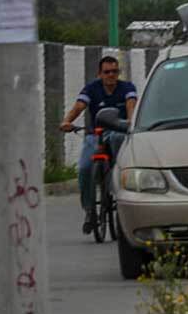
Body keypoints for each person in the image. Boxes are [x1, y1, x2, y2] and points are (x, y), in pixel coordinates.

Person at [58, 54, 138, 235]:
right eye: (107, 72)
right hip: (95, 134)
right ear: (100, 74)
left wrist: (130, 122)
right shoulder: (91, 89)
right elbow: (79, 106)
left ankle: (117, 178)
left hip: (118, 132)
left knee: (118, 142)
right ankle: (89, 210)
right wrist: (67, 121)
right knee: (85, 168)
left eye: (114, 71)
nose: (111, 75)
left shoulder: (127, 88)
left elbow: (131, 106)